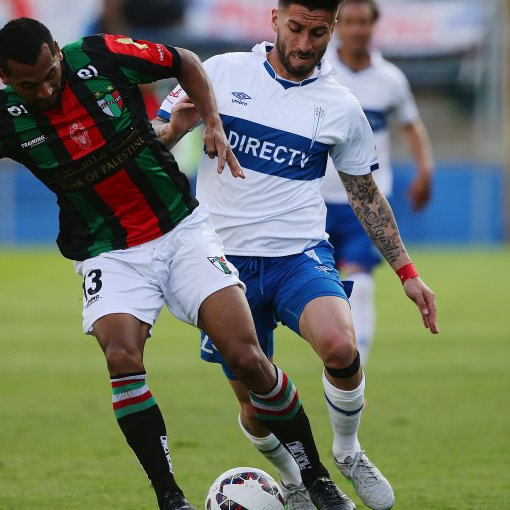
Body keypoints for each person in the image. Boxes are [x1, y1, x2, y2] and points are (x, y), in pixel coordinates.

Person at [0, 17, 357, 510]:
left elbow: (183, 62)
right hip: (108, 251)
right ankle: (171, 498)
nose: (46, 89)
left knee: (246, 356)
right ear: (5, 78)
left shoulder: (100, 55)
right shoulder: (0, 118)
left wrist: (211, 120)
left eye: (51, 74)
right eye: (30, 85)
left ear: (56, 50)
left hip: (180, 229)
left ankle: (317, 481)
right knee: (121, 357)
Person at [153, 1, 438, 509]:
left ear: (331, 30)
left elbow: (365, 195)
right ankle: (294, 479)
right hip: (220, 267)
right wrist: (174, 128)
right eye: (296, 29)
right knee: (254, 402)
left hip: (297, 255)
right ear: (274, 20)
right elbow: (148, 145)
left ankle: (348, 452)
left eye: (318, 33)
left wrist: (407, 272)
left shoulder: (340, 105)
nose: (305, 44)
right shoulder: (218, 73)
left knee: (340, 346)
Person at [320, 0, 436, 365]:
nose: (356, 29)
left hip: (365, 204)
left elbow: (411, 125)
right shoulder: (321, 72)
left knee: (362, 287)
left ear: (373, 25)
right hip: (314, 200)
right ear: (338, 25)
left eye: (363, 22)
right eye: (349, 22)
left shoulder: (390, 79)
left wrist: (425, 169)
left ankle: (356, 371)